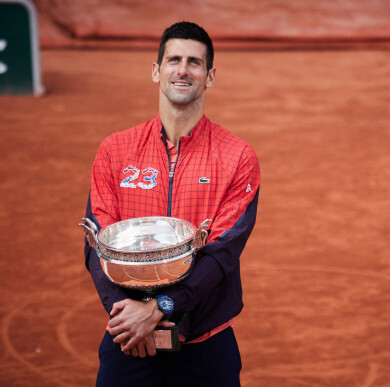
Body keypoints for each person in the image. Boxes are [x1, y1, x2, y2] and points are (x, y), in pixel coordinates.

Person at [83, 21, 260, 386]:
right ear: (156, 70)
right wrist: (129, 318)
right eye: (173, 59)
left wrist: (160, 308)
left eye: (194, 62)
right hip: (129, 340)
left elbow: (222, 254)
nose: (183, 70)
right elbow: (96, 245)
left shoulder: (237, 157)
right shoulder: (114, 150)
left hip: (205, 346)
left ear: (209, 76)